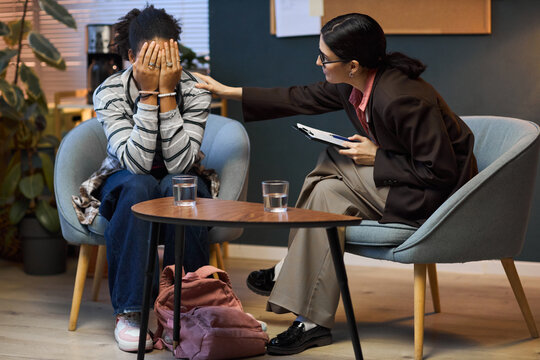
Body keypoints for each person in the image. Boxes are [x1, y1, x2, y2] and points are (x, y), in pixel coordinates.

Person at [195, 13, 478, 356]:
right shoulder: (353, 84)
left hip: (433, 197)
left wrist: (377, 156)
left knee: (333, 159)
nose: (318, 62)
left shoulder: (402, 97)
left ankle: (288, 273)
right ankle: (311, 323)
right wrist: (228, 91)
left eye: (324, 58)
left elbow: (442, 171)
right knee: (328, 192)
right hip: (402, 183)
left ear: (354, 65)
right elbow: (298, 97)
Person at [71, 5, 215, 352]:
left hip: (179, 178)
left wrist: (168, 94)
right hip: (124, 181)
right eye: (150, 59)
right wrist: (151, 95)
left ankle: (184, 310)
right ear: (131, 56)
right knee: (140, 186)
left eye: (167, 58)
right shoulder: (111, 91)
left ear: (178, 54)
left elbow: (181, 164)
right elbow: (134, 164)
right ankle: (130, 313)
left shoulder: (195, 90)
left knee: (183, 186)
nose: (161, 67)